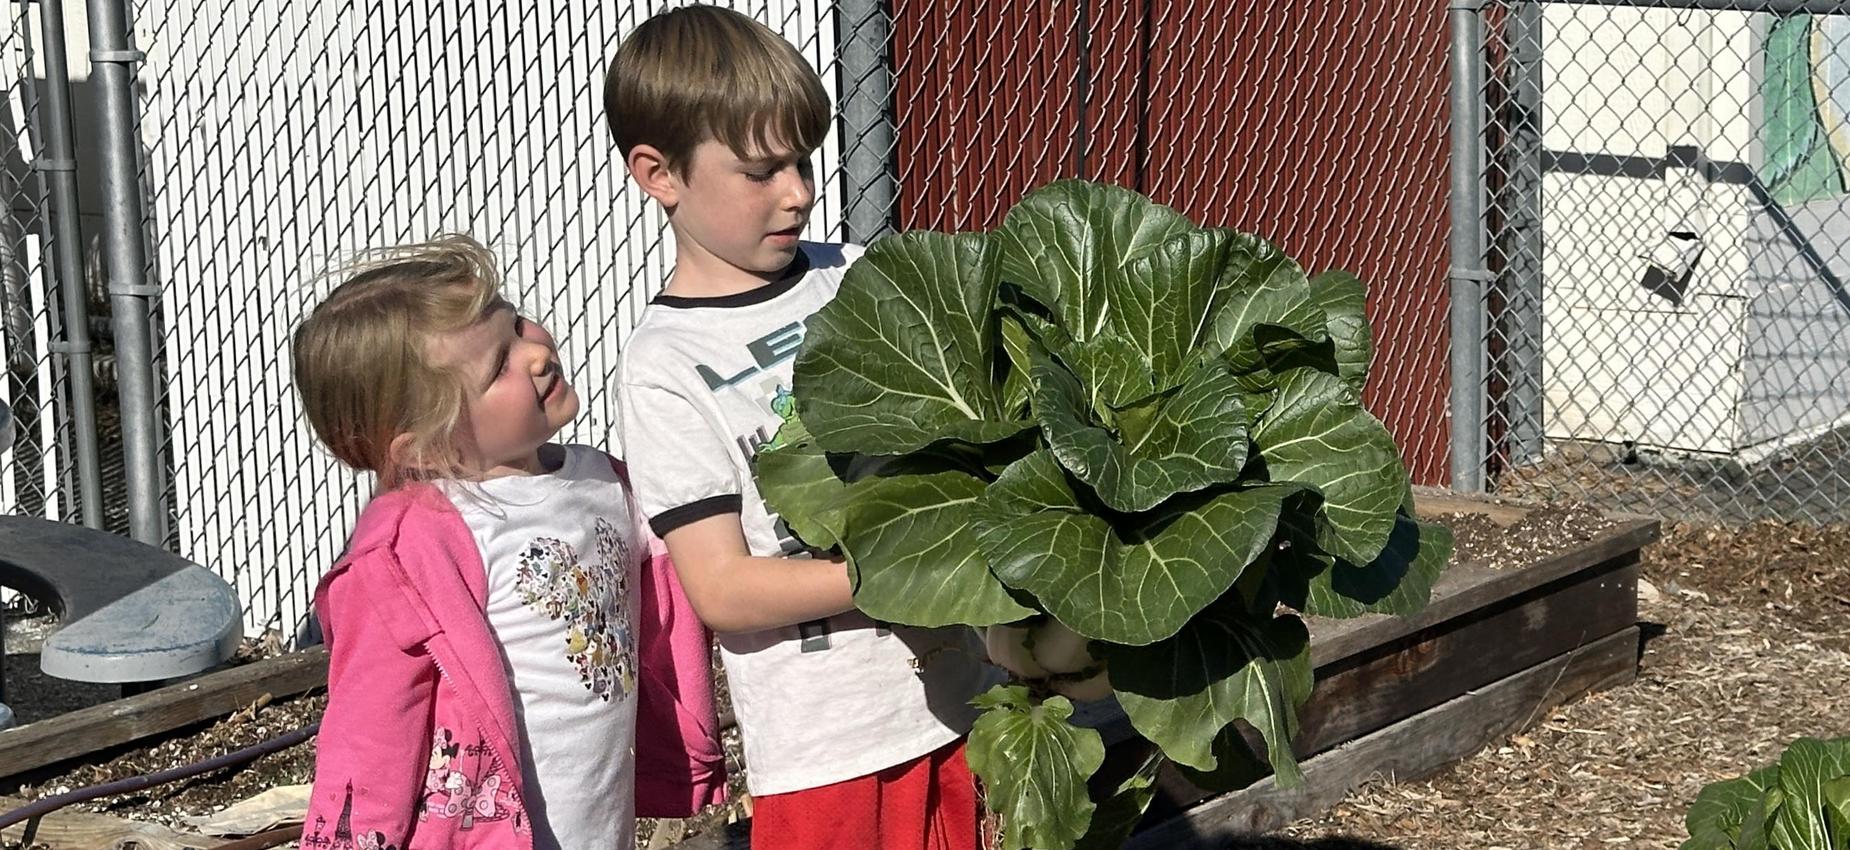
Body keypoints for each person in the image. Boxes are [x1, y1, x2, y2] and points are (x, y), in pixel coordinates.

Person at [607, 7, 989, 849]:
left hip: (973, 702)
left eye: (804, 161)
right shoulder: (665, 366)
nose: (800, 191)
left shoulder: (857, 276)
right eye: (760, 170)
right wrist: (920, 567)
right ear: (657, 173)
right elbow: (725, 590)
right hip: (830, 751)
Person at [292, 235, 721, 850]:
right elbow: (370, 733)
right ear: (426, 446)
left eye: (516, 323)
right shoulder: (413, 548)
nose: (536, 353)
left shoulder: (604, 481)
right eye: (499, 366)